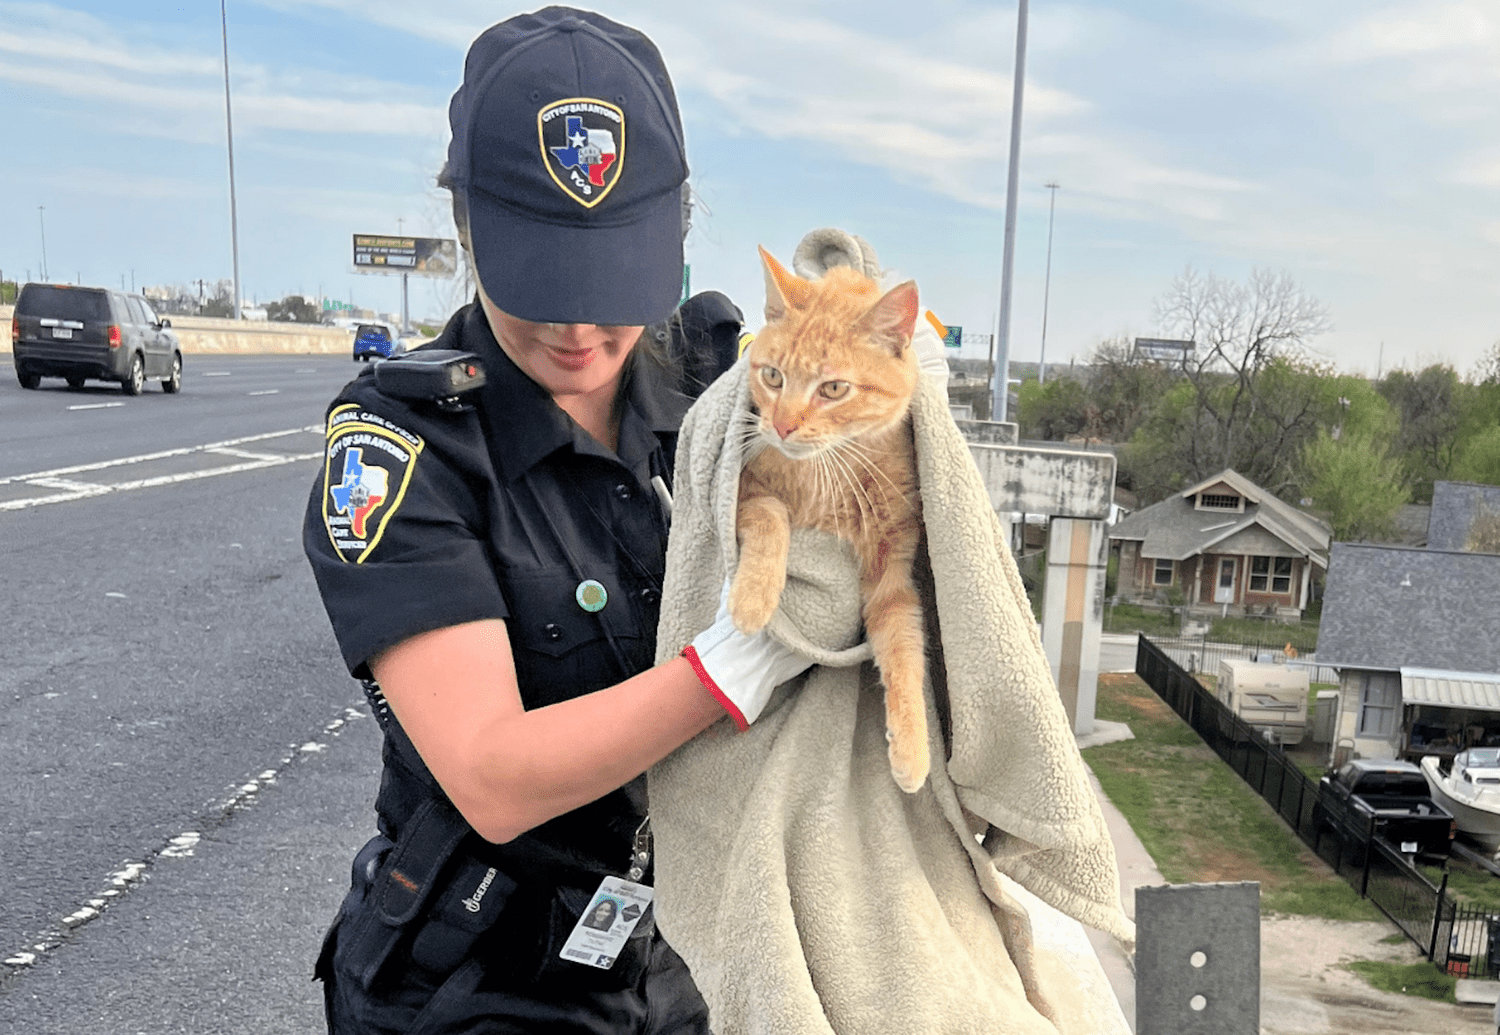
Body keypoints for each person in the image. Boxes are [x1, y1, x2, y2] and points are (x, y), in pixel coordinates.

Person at [303, 8, 812, 1033]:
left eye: (608, 283)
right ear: (469, 232)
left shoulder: (718, 387)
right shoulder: (402, 447)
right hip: (478, 982)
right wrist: (731, 671)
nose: (579, 328)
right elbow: (492, 775)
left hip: (675, 962)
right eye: (545, 282)